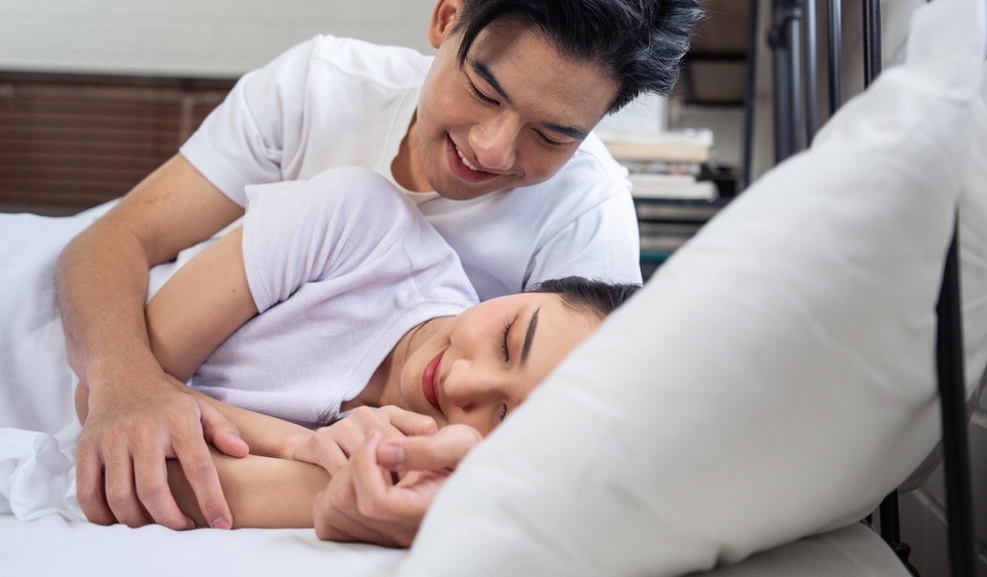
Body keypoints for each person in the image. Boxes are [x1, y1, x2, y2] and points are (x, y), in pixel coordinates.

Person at [54, 0, 700, 541]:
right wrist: (129, 385)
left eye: (552, 135)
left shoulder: (587, 221)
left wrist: (365, 477)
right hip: (65, 314)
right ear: (448, 15)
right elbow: (116, 238)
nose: (491, 148)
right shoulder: (322, 95)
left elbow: (581, 466)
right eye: (484, 91)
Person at [65, 167, 639, 536]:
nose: (462, 384)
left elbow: (151, 476)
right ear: (529, 289)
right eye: (509, 340)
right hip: (57, 315)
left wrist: (355, 481)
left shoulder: (417, 478)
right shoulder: (360, 225)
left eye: (504, 416)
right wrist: (294, 446)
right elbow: (111, 401)